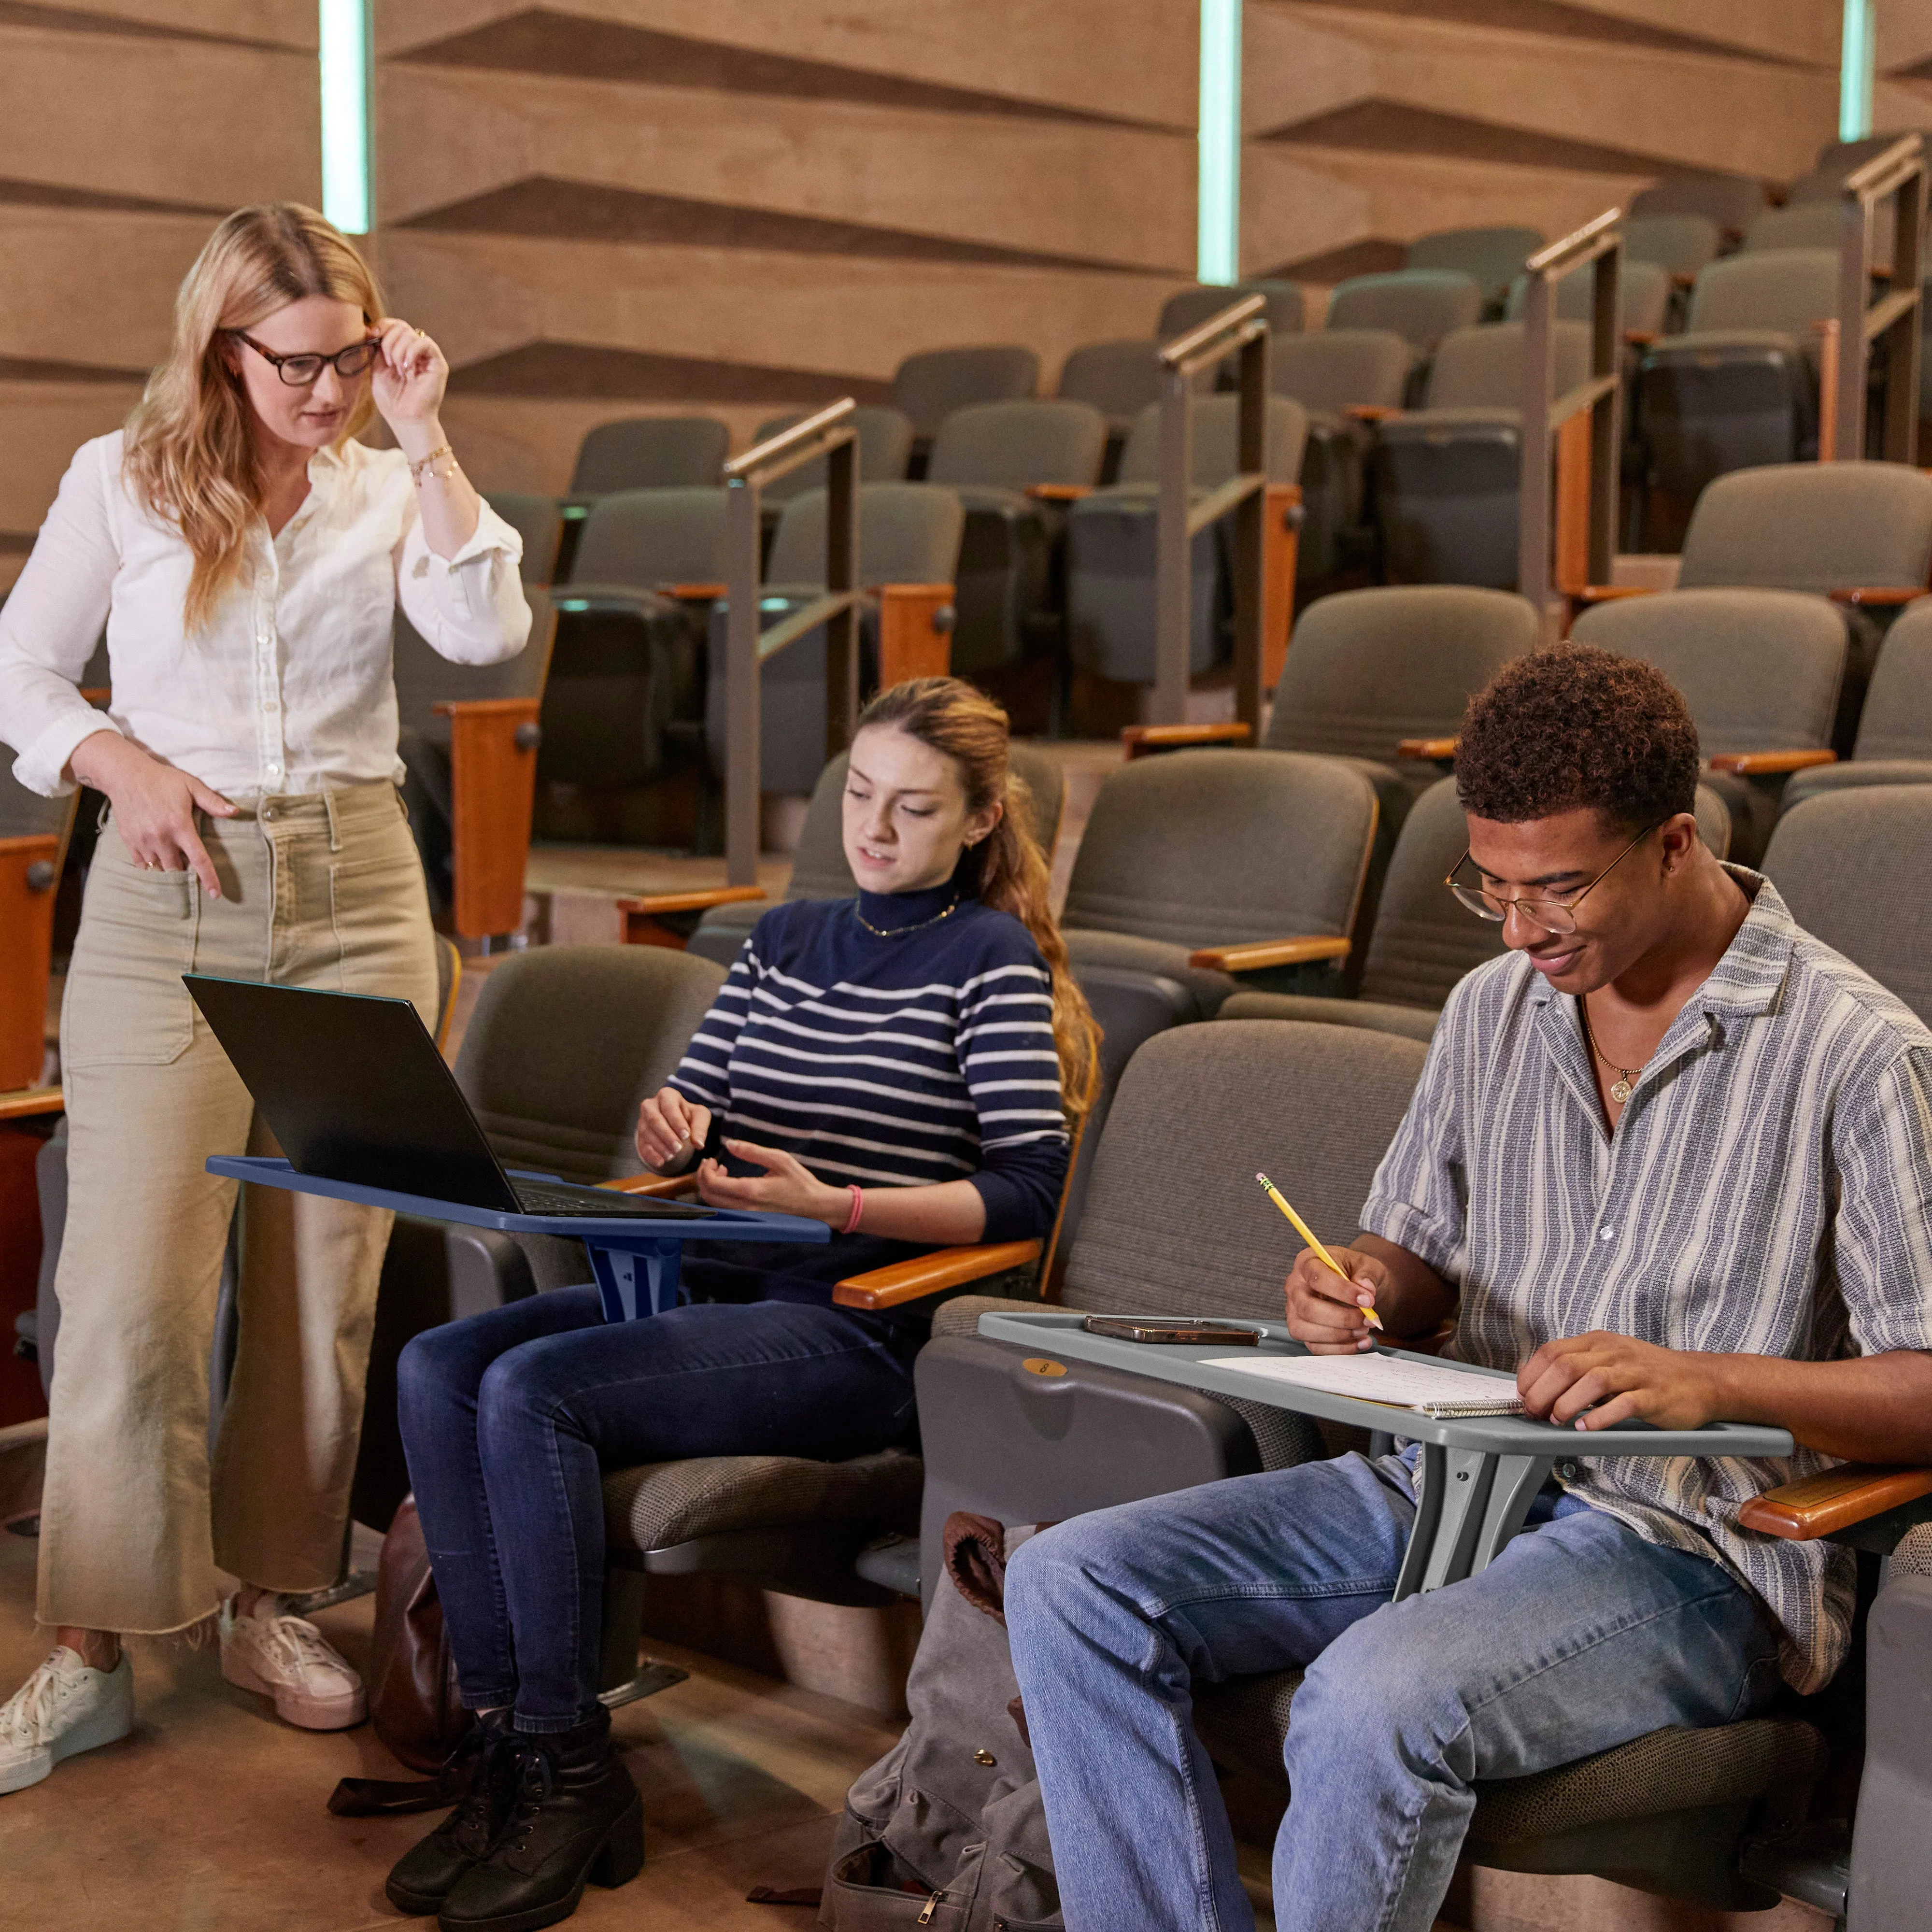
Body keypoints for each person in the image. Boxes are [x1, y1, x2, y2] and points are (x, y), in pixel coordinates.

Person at [1002, 646, 1932, 1932]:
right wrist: (1361, 1281)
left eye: (1554, 889)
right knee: (1068, 1587)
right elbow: (1414, 1260)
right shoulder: (1494, 1006)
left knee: (1373, 1701)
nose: (1515, 928)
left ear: (1674, 843)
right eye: (1487, 887)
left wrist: (1702, 1379)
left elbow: (1926, 1384)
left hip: (1686, 1549)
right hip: (1443, 1487)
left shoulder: (1859, 1056)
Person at [388, 676, 1100, 1932]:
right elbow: (695, 1111)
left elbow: (1030, 1190)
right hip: (717, 1285)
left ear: (982, 820)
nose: (874, 830)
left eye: (914, 809)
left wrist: (839, 1206)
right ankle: (505, 1742)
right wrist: (678, 1131)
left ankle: (567, 1762)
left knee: (534, 1390)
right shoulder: (783, 938)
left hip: (856, 1325)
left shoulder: (985, 957)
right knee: (439, 1366)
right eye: (862, 796)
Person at [0, 204, 530, 1794]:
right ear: (223, 350)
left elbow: (484, 628)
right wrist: (120, 759)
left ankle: (273, 1603)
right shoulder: (123, 480)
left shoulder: (390, 482)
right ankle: (94, 1648)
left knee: (323, 1281)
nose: (328, 390)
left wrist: (429, 438)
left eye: (355, 358)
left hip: (361, 889)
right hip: (172, 887)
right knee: (133, 1288)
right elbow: (17, 675)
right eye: (298, 362)